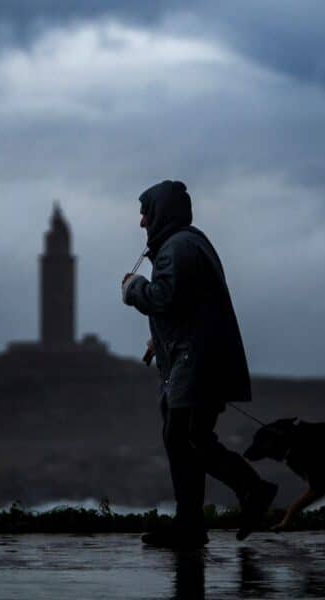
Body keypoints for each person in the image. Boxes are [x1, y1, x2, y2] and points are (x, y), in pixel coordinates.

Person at [121, 179, 278, 549]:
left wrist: (134, 289)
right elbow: (191, 307)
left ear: (160, 211)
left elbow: (164, 297)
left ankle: (250, 491)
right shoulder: (187, 243)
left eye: (145, 212)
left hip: (196, 364)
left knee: (186, 438)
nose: (142, 221)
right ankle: (192, 523)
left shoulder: (177, 248)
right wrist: (157, 343)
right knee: (187, 439)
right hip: (192, 358)